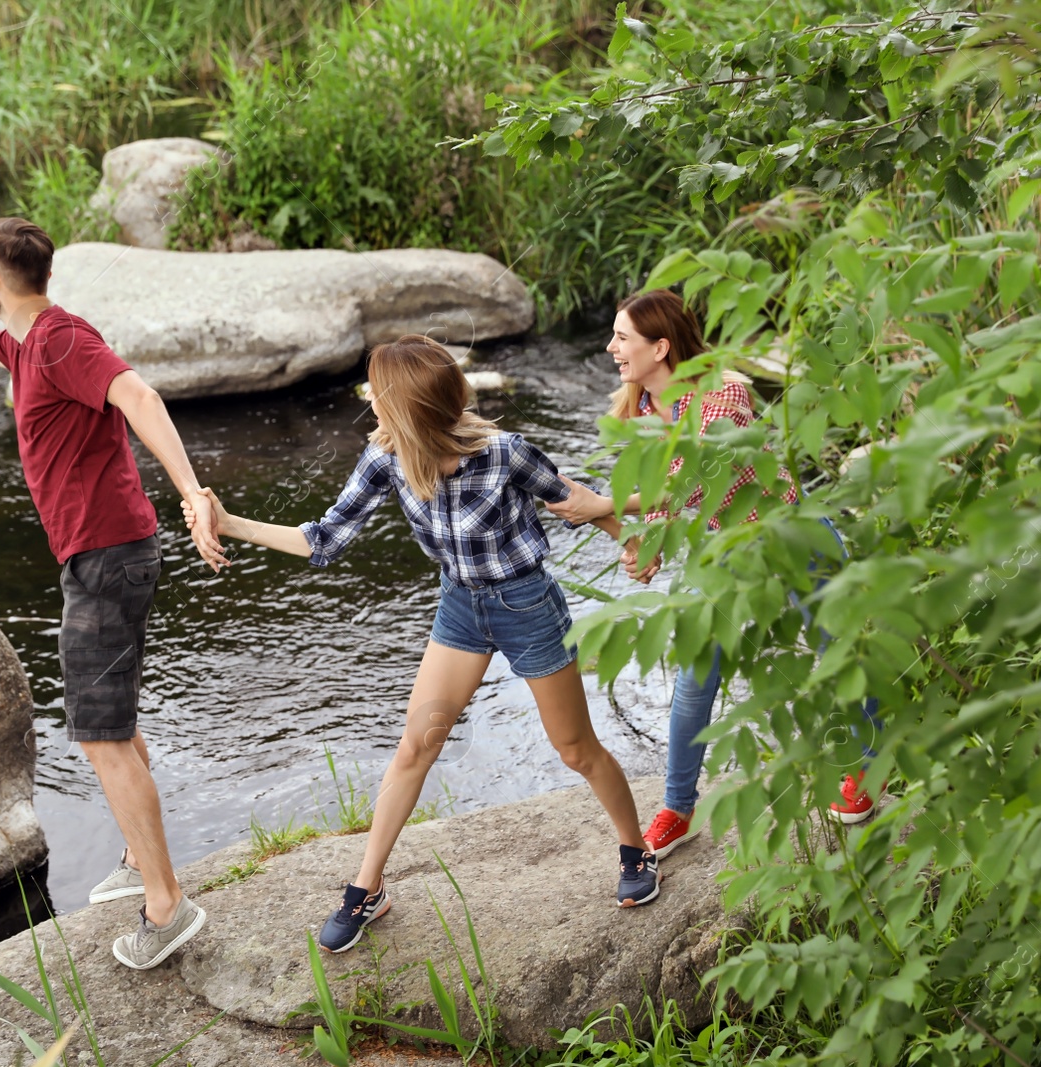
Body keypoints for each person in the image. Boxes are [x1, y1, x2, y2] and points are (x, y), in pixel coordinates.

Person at [185, 334, 660, 954]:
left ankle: (636, 850)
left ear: (405, 407)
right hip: (461, 610)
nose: (370, 403)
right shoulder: (385, 457)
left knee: (575, 748)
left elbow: (569, 496)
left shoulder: (504, 453)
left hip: (526, 606)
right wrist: (228, 524)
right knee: (416, 747)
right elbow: (323, 540)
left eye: (377, 394)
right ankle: (367, 887)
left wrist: (629, 538)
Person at [0, 217, 227, 970]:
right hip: (105, 554)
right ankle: (141, 860)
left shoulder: (64, 342)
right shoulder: (26, 344)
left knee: (99, 735)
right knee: (117, 720)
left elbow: (140, 395)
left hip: (107, 558)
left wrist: (192, 492)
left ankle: (167, 906)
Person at [547, 289, 879, 861]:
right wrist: (642, 535)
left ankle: (864, 772)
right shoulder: (645, 410)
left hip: (793, 540)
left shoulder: (721, 391)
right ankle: (678, 808)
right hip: (723, 557)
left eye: (621, 337)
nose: (610, 348)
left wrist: (605, 507)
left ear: (661, 347)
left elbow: (690, 479)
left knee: (841, 651)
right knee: (696, 681)